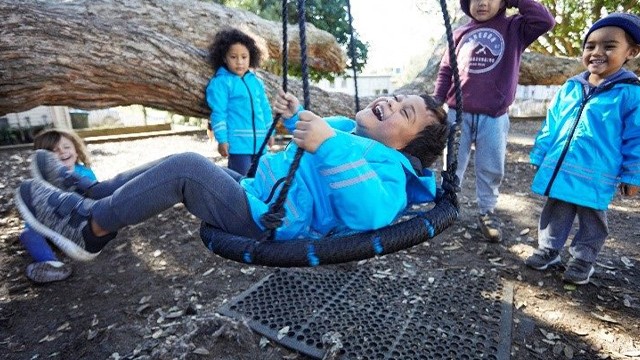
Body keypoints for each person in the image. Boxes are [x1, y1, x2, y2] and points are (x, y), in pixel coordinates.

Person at [14, 91, 449, 262]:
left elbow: (368, 214)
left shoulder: (389, 172)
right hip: (254, 193)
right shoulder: (344, 129)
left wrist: (328, 144)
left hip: (270, 221)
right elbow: (309, 139)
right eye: (395, 97)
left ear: (404, 146)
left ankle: (90, 226)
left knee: (188, 168)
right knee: (171, 162)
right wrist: (294, 114)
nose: (390, 103)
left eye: (403, 112)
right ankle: (89, 190)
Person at [524, 12, 640, 285]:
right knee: (555, 210)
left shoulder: (630, 94)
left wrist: (632, 175)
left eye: (609, 46)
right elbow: (552, 123)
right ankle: (549, 250)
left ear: (631, 52)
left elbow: (636, 139)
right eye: (590, 46)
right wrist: (540, 153)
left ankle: (583, 259)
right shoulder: (571, 87)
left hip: (597, 173)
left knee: (592, 219)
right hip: (562, 169)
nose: (597, 52)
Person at [433, 0, 555, 242]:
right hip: (458, 112)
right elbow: (446, 69)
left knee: (490, 165)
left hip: (494, 114)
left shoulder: (514, 28)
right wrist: (436, 101)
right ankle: (446, 204)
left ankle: (486, 211)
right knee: (453, 162)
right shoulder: (459, 33)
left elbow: (545, 21)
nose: (482, 2)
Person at [19, 129, 98, 283]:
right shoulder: (40, 182)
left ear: (76, 149)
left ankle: (77, 244)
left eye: (66, 147)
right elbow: (34, 211)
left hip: (76, 223)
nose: (62, 152)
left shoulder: (85, 174)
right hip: (48, 227)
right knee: (28, 234)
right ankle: (52, 264)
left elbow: (93, 199)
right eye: (54, 151)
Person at [205, 27, 274, 175]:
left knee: (263, 181)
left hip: (261, 146)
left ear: (251, 58)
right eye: (233, 57)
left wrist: (270, 132)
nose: (239, 62)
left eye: (244, 57)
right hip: (238, 147)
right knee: (241, 182)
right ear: (224, 58)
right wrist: (222, 139)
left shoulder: (255, 82)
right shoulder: (221, 83)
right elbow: (219, 113)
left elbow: (265, 108)